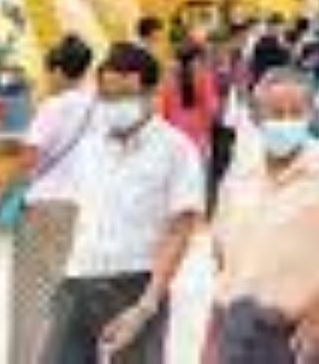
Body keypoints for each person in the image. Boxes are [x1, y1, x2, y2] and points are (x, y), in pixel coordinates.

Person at [208, 67, 319, 363]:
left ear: (310, 115)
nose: (286, 122)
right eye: (276, 113)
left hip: (296, 331)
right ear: (256, 116)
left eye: (296, 112)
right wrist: (214, 333)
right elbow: (223, 258)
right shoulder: (240, 170)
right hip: (236, 328)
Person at [40, 42, 203, 364]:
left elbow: (180, 230)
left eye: (125, 95)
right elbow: (74, 212)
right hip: (78, 281)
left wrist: (147, 305)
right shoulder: (90, 146)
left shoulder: (176, 150)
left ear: (151, 93)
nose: (114, 104)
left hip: (136, 285)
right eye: (107, 96)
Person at [9, 35, 97, 364]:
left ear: (59, 71)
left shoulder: (52, 106)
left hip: (44, 207)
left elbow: (29, 158)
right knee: (71, 290)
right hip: (84, 206)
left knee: (33, 294)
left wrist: (7, 197)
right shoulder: (98, 106)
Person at [157, 42, 220, 166]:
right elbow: (211, 108)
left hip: (174, 131)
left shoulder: (167, 78)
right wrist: (207, 127)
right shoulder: (203, 76)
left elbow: (161, 108)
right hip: (198, 131)